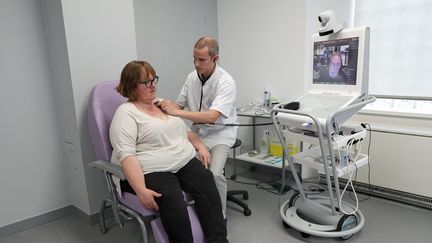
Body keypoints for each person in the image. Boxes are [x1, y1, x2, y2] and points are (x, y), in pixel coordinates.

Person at [110, 60, 228, 243]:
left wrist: (201, 146)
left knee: (206, 180)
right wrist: (140, 190)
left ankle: (219, 240)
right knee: (172, 197)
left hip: (182, 160)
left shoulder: (161, 104)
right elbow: (127, 155)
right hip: (152, 169)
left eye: (154, 80)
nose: (153, 86)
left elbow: (186, 132)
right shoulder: (126, 114)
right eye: (146, 82)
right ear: (132, 86)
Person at [159, 36, 237, 219]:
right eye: (194, 59)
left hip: (221, 133)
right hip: (198, 133)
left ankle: (220, 217)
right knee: (183, 167)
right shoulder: (191, 77)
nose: (196, 64)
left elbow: (212, 116)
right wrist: (161, 106)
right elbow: (178, 105)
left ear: (215, 58)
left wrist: (176, 113)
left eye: (202, 60)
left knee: (215, 174)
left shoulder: (226, 81)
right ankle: (196, 210)